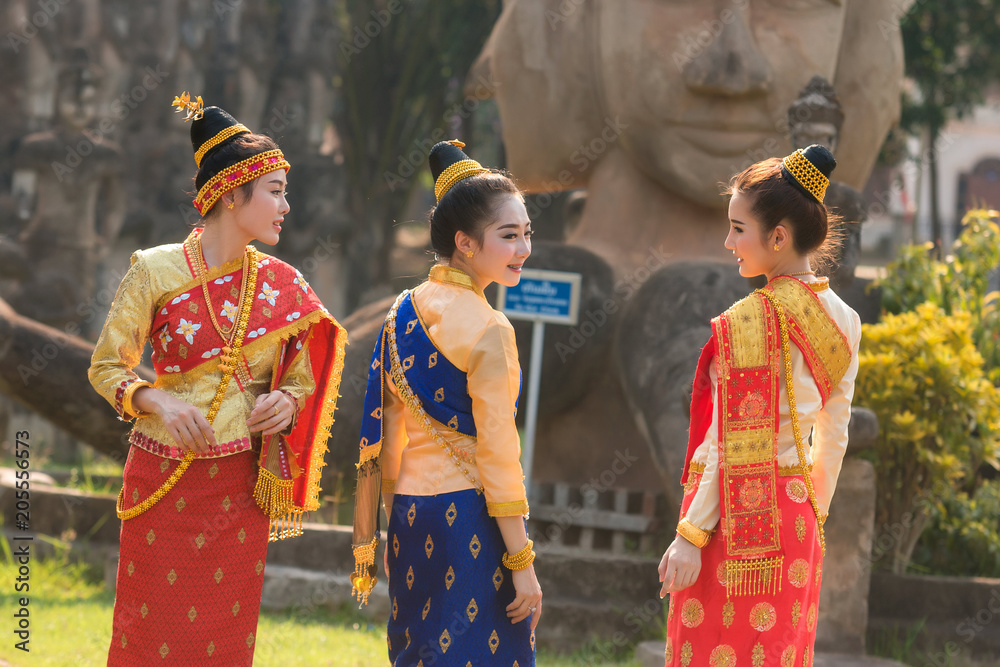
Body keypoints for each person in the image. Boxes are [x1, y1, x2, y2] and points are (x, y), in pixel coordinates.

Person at [89, 93, 347, 665]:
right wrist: (155, 399)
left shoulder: (284, 284)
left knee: (224, 646)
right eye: (276, 192)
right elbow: (107, 366)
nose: (286, 206)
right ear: (233, 195)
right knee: (146, 639)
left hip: (239, 488)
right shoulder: (154, 270)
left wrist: (286, 400)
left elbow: (304, 378)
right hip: (161, 480)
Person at [658, 145, 862, 666]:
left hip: (729, 517)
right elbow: (834, 437)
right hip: (797, 518)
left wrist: (690, 534)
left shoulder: (751, 318)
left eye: (737, 229)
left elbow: (732, 438)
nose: (727, 242)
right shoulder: (847, 321)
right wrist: (811, 512)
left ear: (778, 236)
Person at [351, 140, 540, 665]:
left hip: (411, 517)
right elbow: (499, 456)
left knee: (421, 653)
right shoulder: (489, 328)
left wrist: (391, 524)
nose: (523, 248)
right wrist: (522, 561)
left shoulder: (400, 313)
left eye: (527, 233)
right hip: (468, 519)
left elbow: (386, 435)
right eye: (508, 235)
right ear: (466, 242)